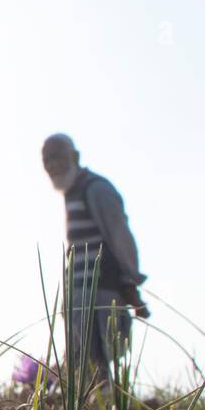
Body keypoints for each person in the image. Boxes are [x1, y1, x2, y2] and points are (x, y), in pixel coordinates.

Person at [41, 133, 150, 384]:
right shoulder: (72, 193)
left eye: (57, 157)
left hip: (101, 292)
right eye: (47, 159)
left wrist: (130, 283)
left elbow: (119, 238)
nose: (53, 165)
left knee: (96, 365)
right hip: (79, 294)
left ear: (75, 156)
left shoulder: (96, 189)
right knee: (81, 366)